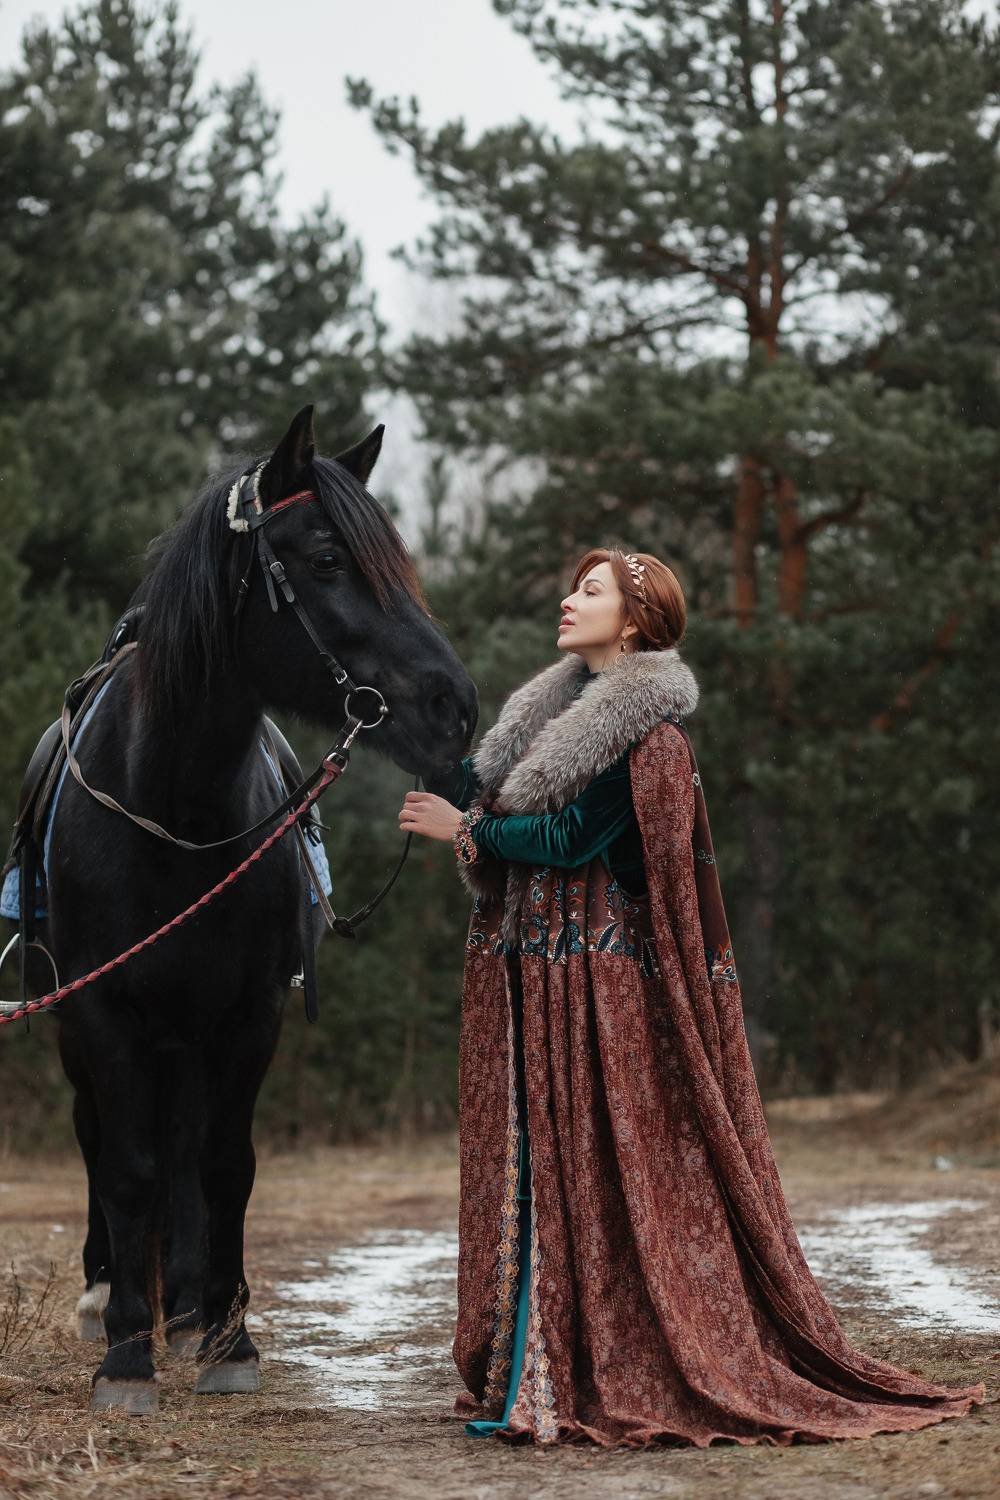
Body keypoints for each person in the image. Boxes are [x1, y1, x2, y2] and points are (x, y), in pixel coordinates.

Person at [398, 545, 986, 1448]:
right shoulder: (549, 720)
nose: (568, 600)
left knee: (602, 1161)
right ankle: (541, 1359)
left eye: (590, 591)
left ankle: (596, 1364)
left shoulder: (644, 733)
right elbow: (506, 809)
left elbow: (568, 836)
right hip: (547, 978)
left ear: (635, 622)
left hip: (604, 995)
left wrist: (469, 832)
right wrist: (443, 773)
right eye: (572, 587)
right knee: (549, 1162)